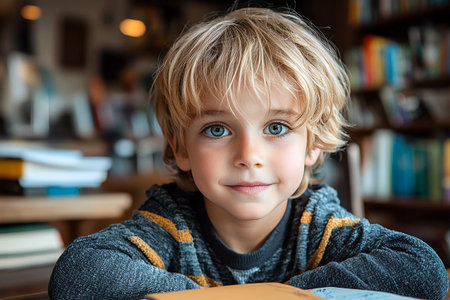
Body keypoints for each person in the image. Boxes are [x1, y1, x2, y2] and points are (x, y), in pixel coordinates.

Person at [49, 7, 449, 300]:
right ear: (180, 148)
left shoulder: (318, 226)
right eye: (217, 129)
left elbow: (424, 269)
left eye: (276, 128)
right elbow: (79, 274)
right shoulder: (172, 223)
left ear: (312, 144)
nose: (248, 154)